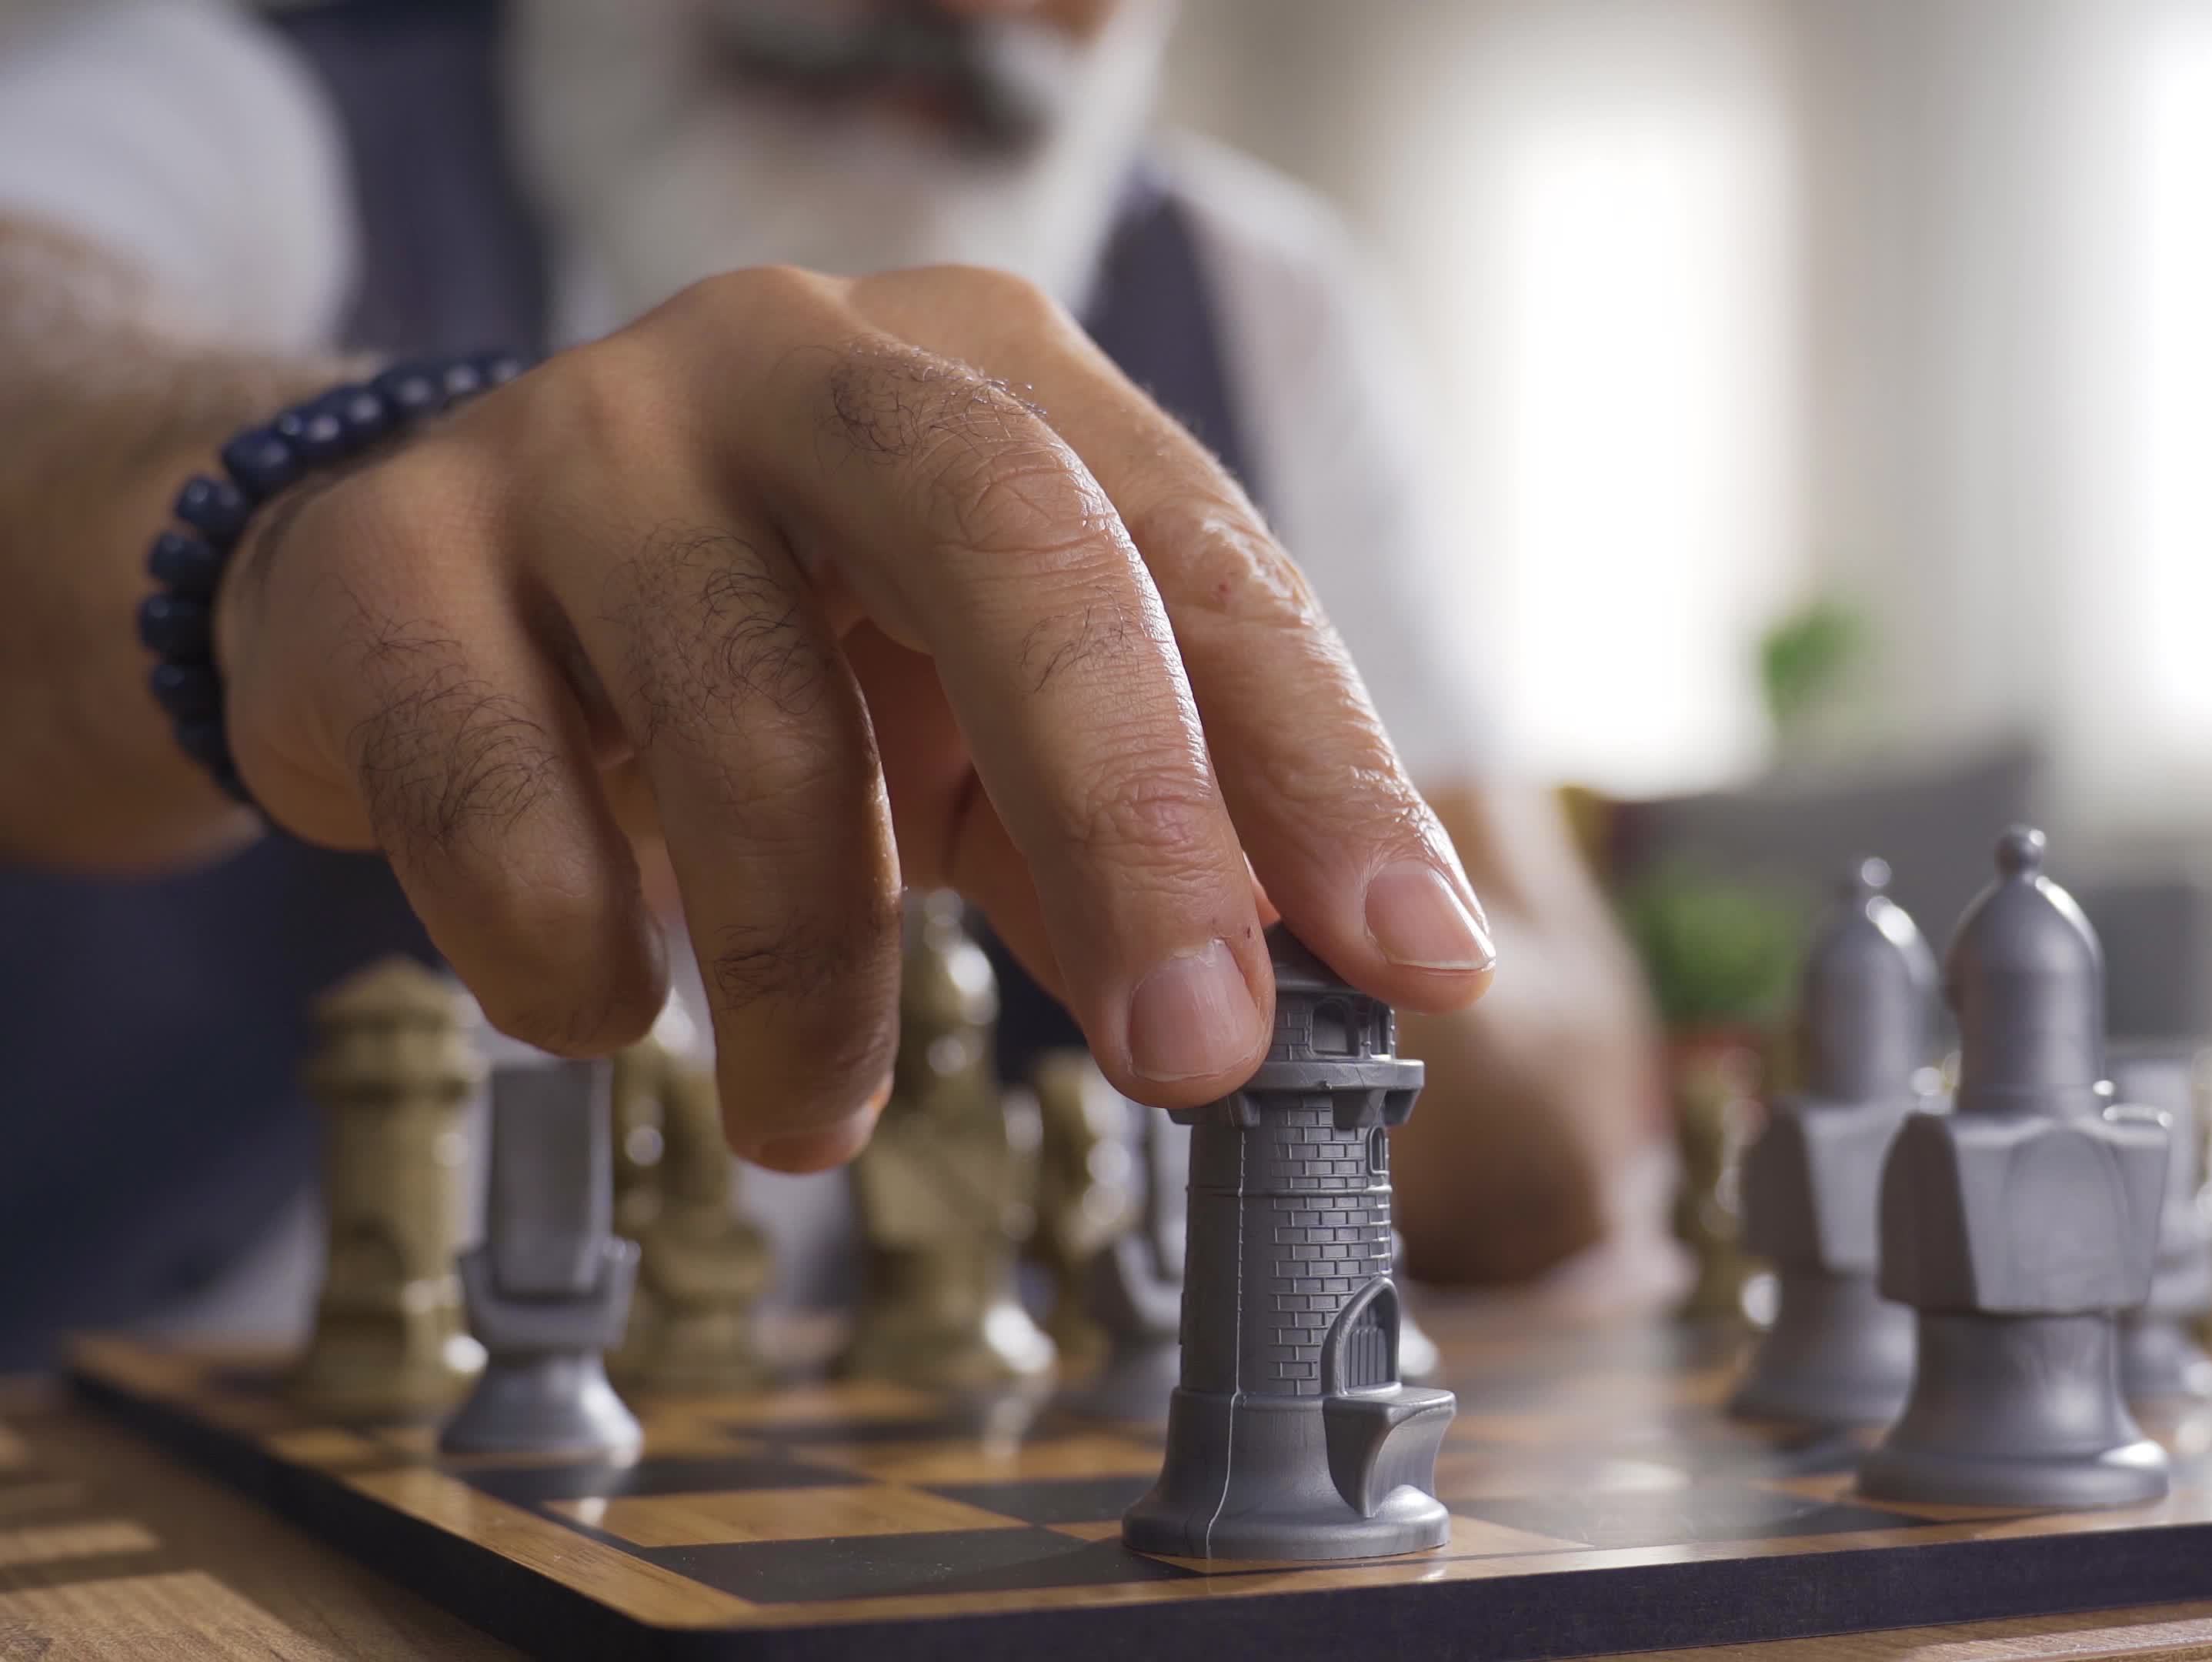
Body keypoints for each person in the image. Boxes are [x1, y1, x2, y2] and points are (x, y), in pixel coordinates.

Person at [0, 0, 1658, 1367]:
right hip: (197, 1467)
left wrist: (1261, 907)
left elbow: (1551, 1103)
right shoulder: (239, 102)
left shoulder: (1260, 295)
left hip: (917, 1496)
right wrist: (292, 513)